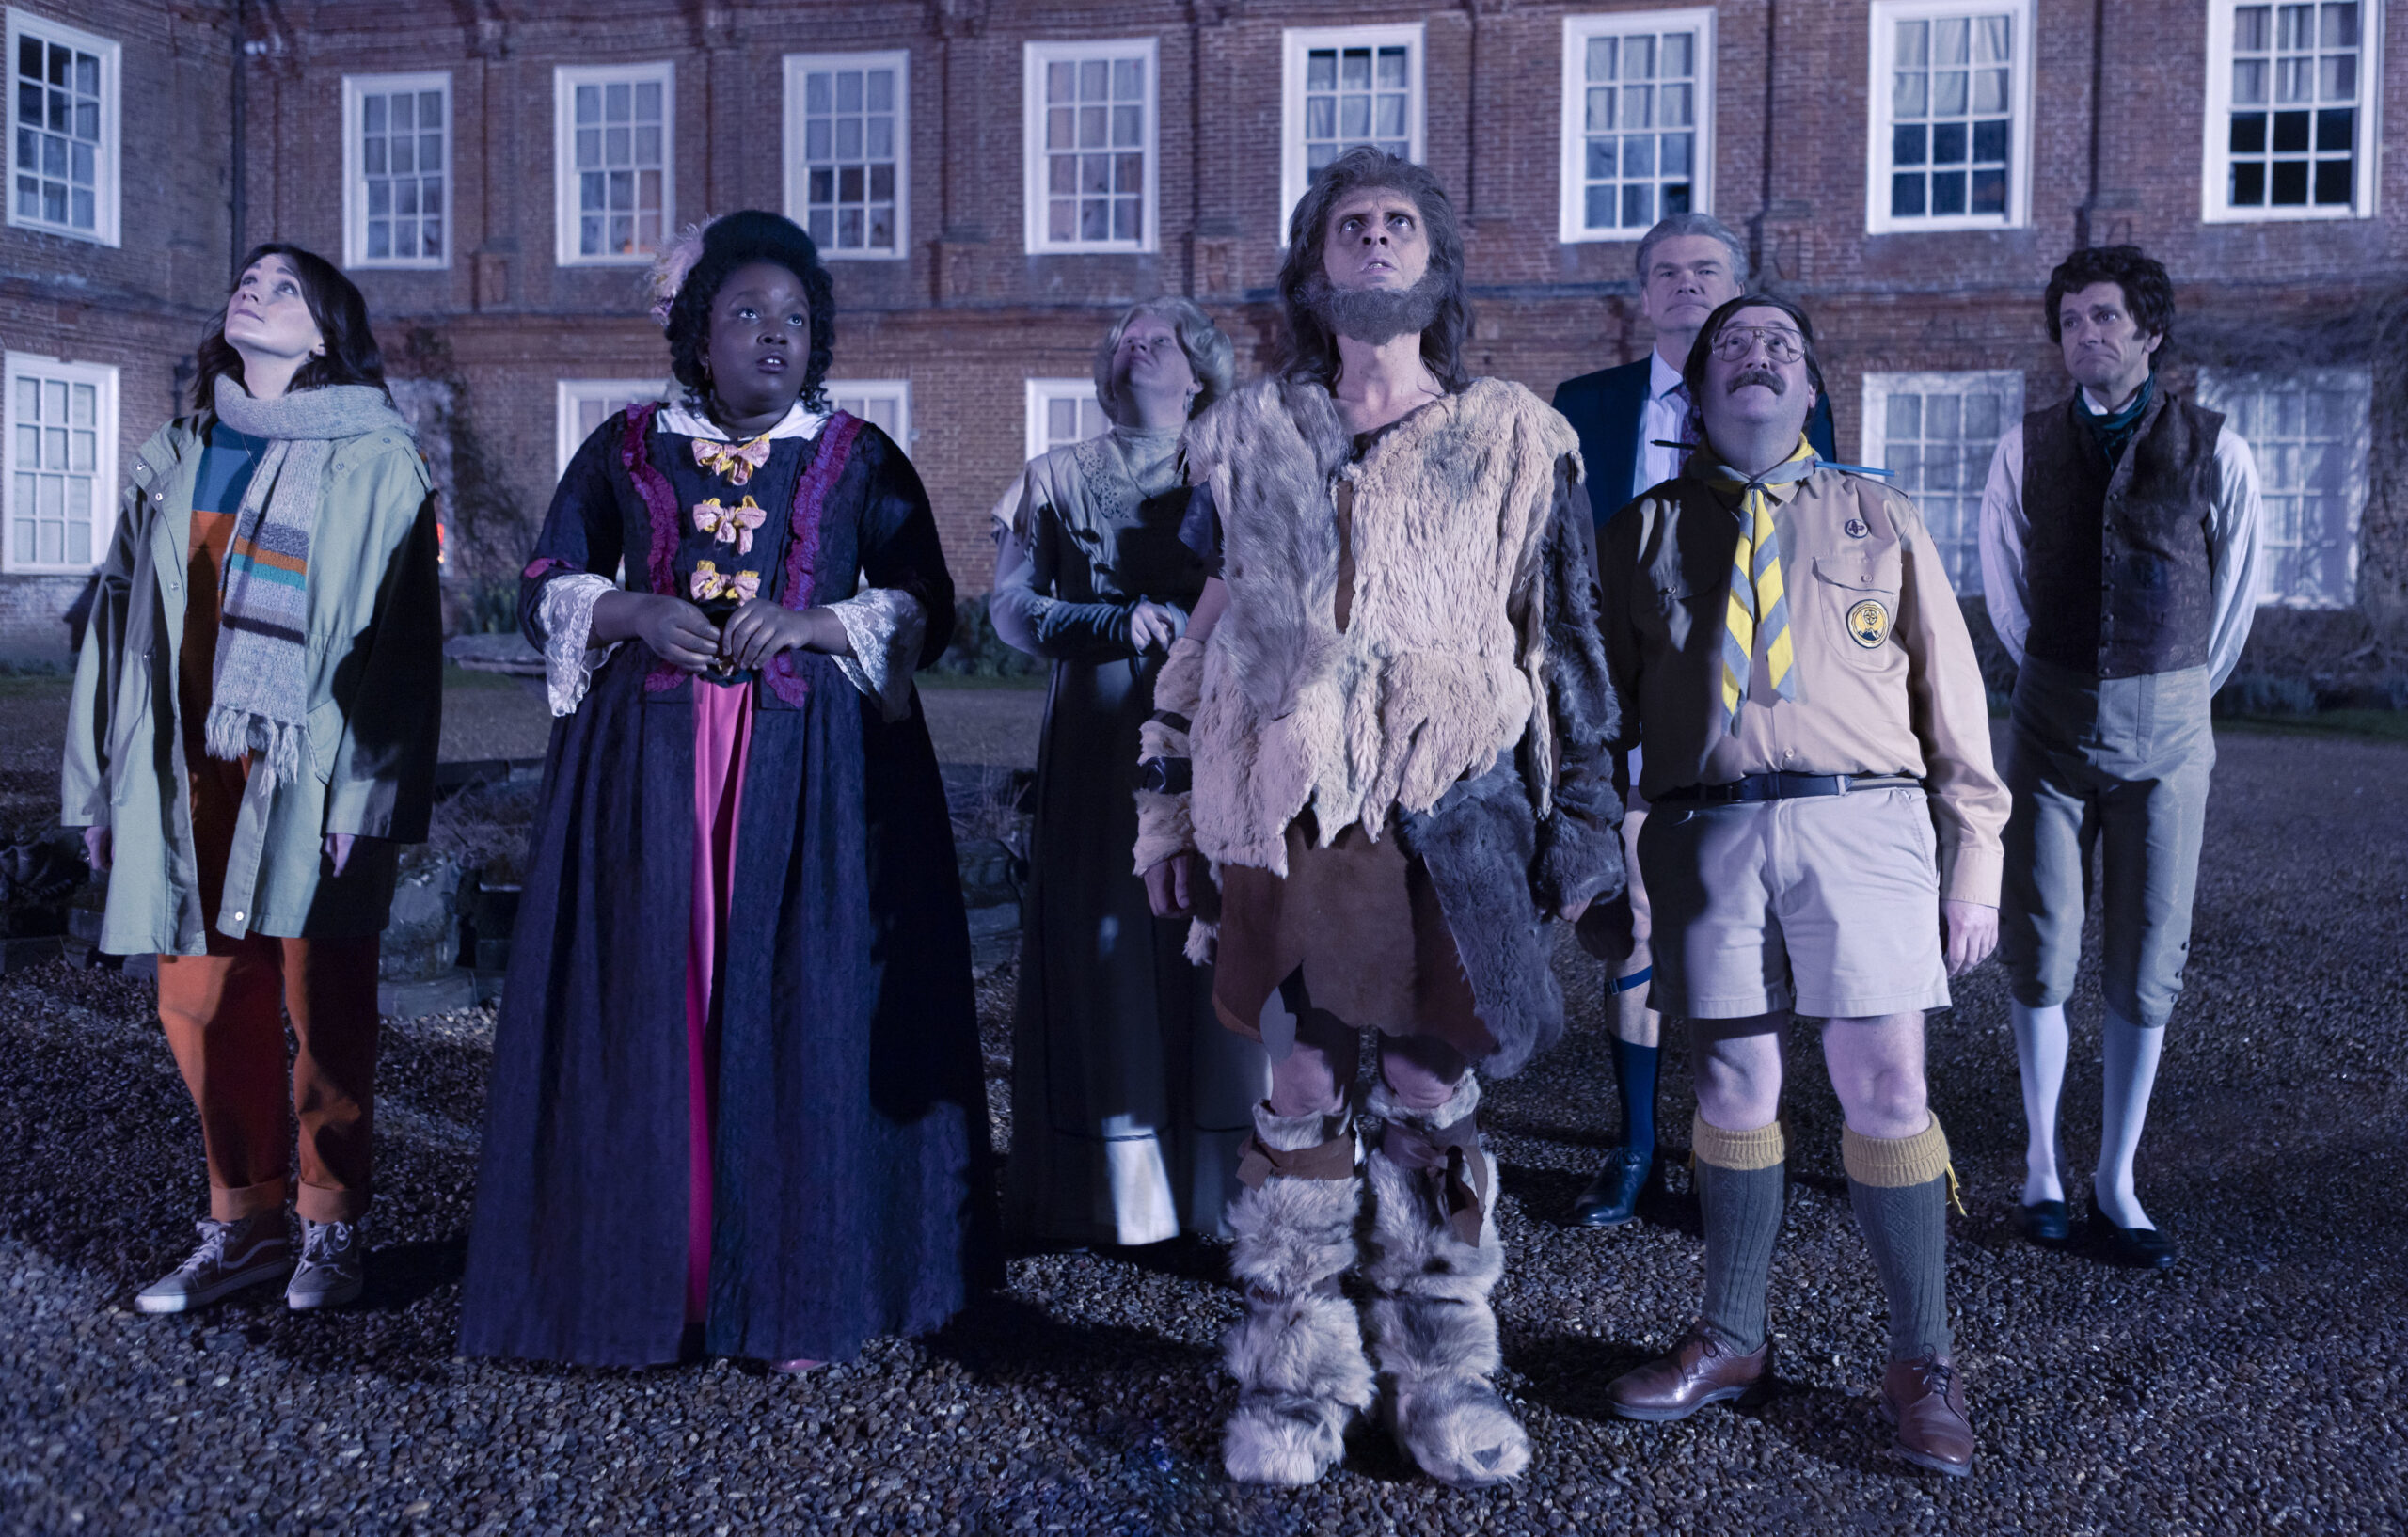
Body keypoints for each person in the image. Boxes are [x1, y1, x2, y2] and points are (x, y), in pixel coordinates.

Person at [1139, 149, 1622, 1487]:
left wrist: (1585, 829)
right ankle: (1293, 1384)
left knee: (1426, 1084)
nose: (1373, 239)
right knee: (1298, 1085)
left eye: (1399, 223)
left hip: (1448, 808)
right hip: (1286, 805)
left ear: (1438, 266)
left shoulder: (1517, 437)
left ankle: (1446, 1374)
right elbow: (1205, 628)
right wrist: (1166, 804)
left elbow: (1570, 646)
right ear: (1311, 268)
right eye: (1347, 225)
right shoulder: (1245, 434)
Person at [458, 211, 996, 1369]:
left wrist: (809, 620)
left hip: (811, 783)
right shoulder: (624, 446)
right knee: (655, 1003)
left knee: (801, 1007)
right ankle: (658, 1280)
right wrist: (633, 609)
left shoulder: (857, 455)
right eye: (746, 313)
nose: (773, 337)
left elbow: (922, 597)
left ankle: (798, 1289)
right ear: (699, 334)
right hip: (646, 776)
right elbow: (548, 576)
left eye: (796, 319)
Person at [1593, 295, 2008, 1478]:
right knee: (1731, 1073)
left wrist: (1972, 858)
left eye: (1780, 344)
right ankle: (1731, 1333)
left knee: (1884, 1078)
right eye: (1732, 345)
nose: (1757, 358)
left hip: (1862, 820)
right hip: (1703, 829)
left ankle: (1921, 1360)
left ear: (1811, 386)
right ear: (1701, 389)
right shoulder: (1642, 533)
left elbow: (1956, 703)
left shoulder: (1879, 513)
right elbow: (1597, 719)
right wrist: (1598, 860)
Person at [63, 244, 442, 1314]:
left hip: (308, 768)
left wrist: (366, 793)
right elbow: (117, 625)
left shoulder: (376, 458)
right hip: (186, 766)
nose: (253, 291)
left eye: (283, 286)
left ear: (325, 333)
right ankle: (244, 1223)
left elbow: (401, 647)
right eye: (247, 278)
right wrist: (102, 782)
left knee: (326, 1001)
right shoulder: (177, 452)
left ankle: (331, 1222)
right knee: (195, 995)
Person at [1978, 246, 2261, 1268]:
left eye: (2104, 317)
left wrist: (2171, 681)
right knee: (2039, 942)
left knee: (2148, 955)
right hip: (2048, 721)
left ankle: (2116, 1176)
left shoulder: (2215, 447)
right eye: (2069, 321)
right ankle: (2044, 1167)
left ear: (2149, 334)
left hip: (2171, 725)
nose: (2083, 334)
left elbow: (2231, 598)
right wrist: (2053, 666)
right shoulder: (2025, 446)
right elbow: (2002, 573)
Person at [1551, 213, 1836, 1229]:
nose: (1683, 285)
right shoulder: (1581, 407)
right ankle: (1633, 1149)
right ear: (1640, 295)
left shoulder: (1794, 399)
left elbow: (1816, 546)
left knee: (1740, 924)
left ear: (1737, 286)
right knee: (1630, 916)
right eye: (1664, 272)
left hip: (1739, 704)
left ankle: (1737, 1145)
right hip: (1616, 691)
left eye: (1705, 271)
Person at [990, 299, 1268, 1248]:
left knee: (1218, 928)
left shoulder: (1240, 466)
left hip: (1220, 726)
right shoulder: (1054, 476)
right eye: (1122, 337)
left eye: (1162, 337)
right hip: (1099, 733)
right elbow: (1012, 612)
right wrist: (1109, 622)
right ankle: (1119, 1193)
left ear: (1199, 371)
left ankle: (1223, 1194)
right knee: (1101, 939)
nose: (1136, 344)